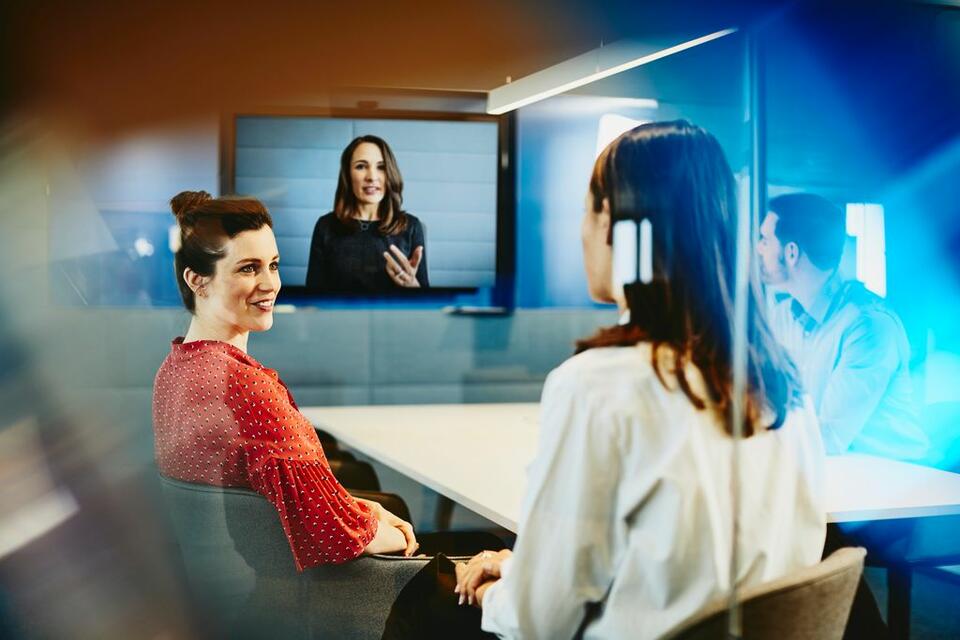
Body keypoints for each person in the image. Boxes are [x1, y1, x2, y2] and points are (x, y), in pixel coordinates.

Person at [453, 121, 827, 639]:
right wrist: (521, 572)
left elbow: (541, 620)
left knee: (430, 596)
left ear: (612, 220)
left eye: (585, 210)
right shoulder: (782, 383)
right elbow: (690, 576)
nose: (580, 230)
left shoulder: (597, 385)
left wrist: (495, 594)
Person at [153, 190, 418, 571]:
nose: (270, 284)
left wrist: (364, 509)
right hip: (302, 592)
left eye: (273, 265)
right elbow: (332, 533)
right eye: (248, 268)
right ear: (198, 280)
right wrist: (395, 534)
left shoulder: (176, 367)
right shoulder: (243, 388)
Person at [756, 192, 929, 461]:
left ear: (791, 253)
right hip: (837, 475)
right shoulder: (781, 316)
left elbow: (827, 437)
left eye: (765, 240)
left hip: (901, 486)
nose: (758, 249)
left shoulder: (868, 326)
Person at [305, 135, 429, 293]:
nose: (371, 177)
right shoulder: (325, 226)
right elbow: (312, 299)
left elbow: (426, 302)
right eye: (361, 166)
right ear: (348, 175)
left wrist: (413, 287)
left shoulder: (411, 227)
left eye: (381, 167)